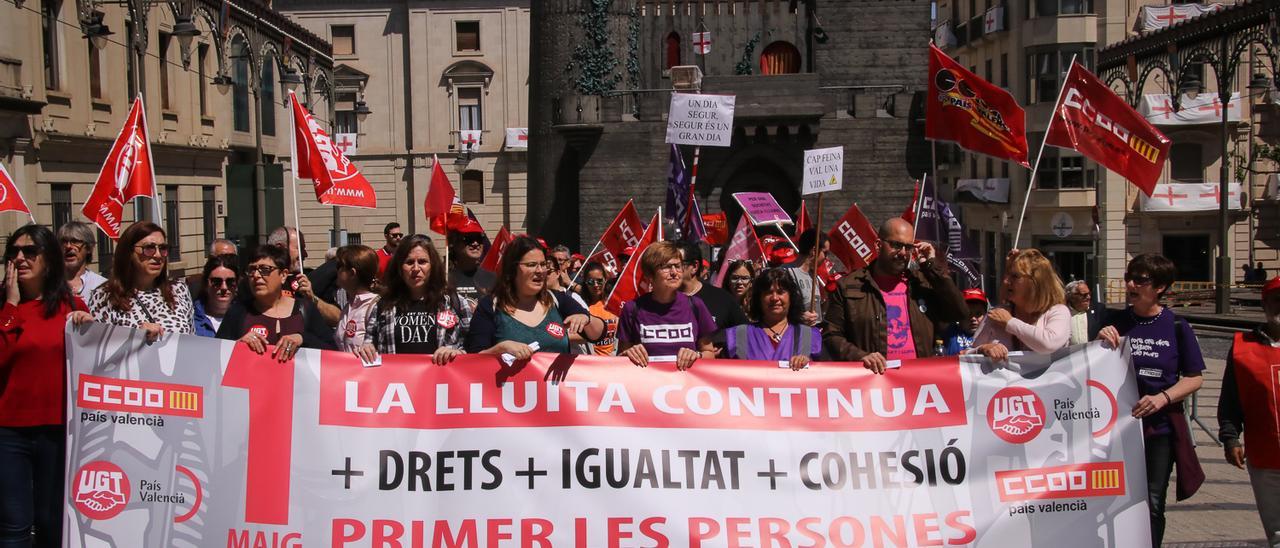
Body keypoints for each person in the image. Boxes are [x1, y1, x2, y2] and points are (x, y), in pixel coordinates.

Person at [1097, 253, 1205, 547]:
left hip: (1160, 429)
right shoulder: (1115, 321)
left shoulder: (1176, 325)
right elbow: (1090, 365)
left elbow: (1195, 377)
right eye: (1129, 277)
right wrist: (1099, 337)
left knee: (1153, 501)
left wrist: (1163, 398)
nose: (1130, 284)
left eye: (1140, 279)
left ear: (1159, 287)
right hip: (1118, 428)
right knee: (1116, 499)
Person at [0, 225, 92, 548]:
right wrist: (10, 309)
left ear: (49, 260)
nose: (20, 258)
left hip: (58, 433)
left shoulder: (72, 306)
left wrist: (89, 330)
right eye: (13, 253)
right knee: (13, 528)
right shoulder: (3, 310)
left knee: (53, 524)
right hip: (8, 434)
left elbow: (97, 361)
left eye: (29, 252)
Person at [823, 217, 967, 374]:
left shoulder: (923, 283)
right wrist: (860, 356)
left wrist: (931, 266)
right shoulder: (849, 286)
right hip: (874, 382)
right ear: (878, 245)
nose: (903, 253)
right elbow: (832, 334)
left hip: (920, 380)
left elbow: (959, 312)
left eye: (908, 247)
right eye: (896, 245)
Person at [466, 236, 604, 357]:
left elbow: (598, 334)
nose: (540, 271)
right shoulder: (490, 306)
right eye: (531, 265)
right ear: (512, 269)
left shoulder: (558, 299)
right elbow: (474, 359)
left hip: (556, 387)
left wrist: (586, 318)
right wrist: (501, 348)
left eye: (543, 265)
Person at [1219, 276, 1280, 547]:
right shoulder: (1244, 347)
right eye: (1277, 300)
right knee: (1277, 532)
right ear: (1265, 304)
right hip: (1266, 456)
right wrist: (1230, 437)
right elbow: (1230, 399)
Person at [359, 236, 470, 362]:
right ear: (400, 267)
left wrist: (458, 353)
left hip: (441, 381)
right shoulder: (382, 305)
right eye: (409, 262)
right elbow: (369, 344)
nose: (416, 269)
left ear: (432, 266)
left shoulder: (455, 302)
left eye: (422, 262)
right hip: (396, 379)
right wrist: (367, 349)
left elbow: (474, 347)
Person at [216, 245, 336, 360]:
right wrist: (238, 345)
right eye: (252, 270)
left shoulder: (305, 309)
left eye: (265, 270)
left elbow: (334, 353)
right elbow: (215, 356)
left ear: (283, 275)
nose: (256, 275)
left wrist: (302, 339)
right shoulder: (237, 312)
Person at [618, 241, 718, 371]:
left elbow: (710, 354)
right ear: (650, 275)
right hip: (647, 388)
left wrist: (697, 355)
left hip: (687, 388)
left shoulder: (695, 305)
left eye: (678, 266)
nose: (674, 272)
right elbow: (620, 358)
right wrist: (629, 353)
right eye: (666, 267)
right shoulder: (632, 309)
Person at [87, 222, 194, 341]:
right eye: (149, 248)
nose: (158, 255)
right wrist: (136, 338)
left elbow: (191, 340)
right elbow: (97, 350)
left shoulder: (179, 290)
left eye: (163, 248)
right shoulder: (104, 297)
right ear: (129, 253)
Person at [968, 249, 1070, 361]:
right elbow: (967, 354)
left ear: (1035, 281)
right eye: (1007, 275)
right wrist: (983, 349)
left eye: (1015, 276)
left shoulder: (1059, 311)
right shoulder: (996, 314)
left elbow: (1048, 344)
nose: (1006, 281)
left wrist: (1010, 323)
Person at [723, 268, 821, 369]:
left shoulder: (808, 335)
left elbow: (822, 374)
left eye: (780, 292)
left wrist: (809, 365)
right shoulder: (738, 335)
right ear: (759, 299)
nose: (774, 298)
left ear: (791, 297)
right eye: (768, 292)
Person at [677, 241, 748, 331]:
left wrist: (723, 342)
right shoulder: (661, 299)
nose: (671, 270)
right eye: (666, 265)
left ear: (695, 266)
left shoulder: (722, 299)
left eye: (677, 265)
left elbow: (744, 333)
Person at [332, 245, 381, 352]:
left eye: (339, 266)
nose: (337, 271)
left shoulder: (375, 306)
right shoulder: (348, 306)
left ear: (352, 273)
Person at [784, 229, 830, 325]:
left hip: (813, 336)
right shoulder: (785, 272)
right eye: (825, 253)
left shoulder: (813, 275)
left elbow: (815, 313)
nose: (826, 258)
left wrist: (829, 301)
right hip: (794, 336)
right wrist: (798, 317)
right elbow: (774, 309)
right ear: (814, 251)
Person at [449, 219, 496, 310]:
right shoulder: (444, 278)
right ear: (455, 244)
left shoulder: (492, 278)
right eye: (468, 239)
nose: (475, 243)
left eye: (479, 238)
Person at [576, 262, 618, 355]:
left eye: (599, 281)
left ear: (605, 280)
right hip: (591, 363)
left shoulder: (613, 304)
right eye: (591, 281)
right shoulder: (581, 306)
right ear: (585, 283)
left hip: (614, 361)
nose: (595, 285)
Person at [57, 220, 106, 298]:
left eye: (75, 241)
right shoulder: (49, 284)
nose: (68, 246)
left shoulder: (101, 286)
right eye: (64, 242)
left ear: (89, 248)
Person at [193, 254, 239, 337]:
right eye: (216, 282)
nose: (224, 287)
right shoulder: (190, 319)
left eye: (230, 282)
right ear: (205, 285)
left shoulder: (247, 318)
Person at [940, 288, 988, 356]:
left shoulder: (991, 336)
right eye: (968, 313)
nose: (973, 318)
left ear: (985, 315)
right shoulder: (950, 331)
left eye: (978, 314)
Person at [1065, 279, 1108, 345]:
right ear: (1072, 297)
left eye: (1089, 293)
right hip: (1070, 354)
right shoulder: (1062, 313)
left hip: (1092, 353)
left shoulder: (1099, 309)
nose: (1088, 297)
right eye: (1084, 295)